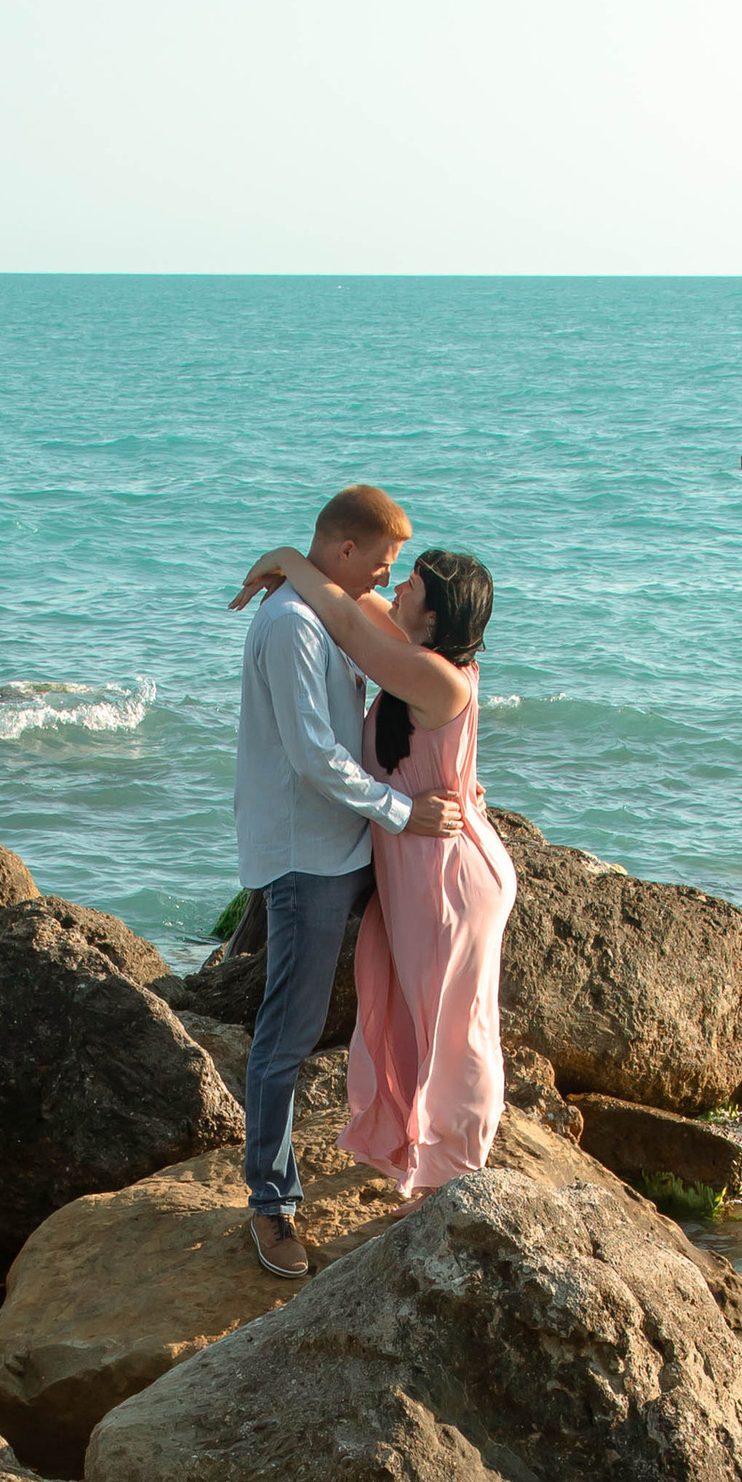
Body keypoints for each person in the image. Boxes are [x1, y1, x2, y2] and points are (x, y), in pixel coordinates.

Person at [224, 484, 460, 1279]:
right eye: (381, 566)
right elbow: (314, 755)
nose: (386, 585)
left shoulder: (329, 607)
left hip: (354, 844)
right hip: (309, 857)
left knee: (406, 1001)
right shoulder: (292, 624)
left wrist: (290, 558)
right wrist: (404, 811)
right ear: (346, 551)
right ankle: (271, 1204)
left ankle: (410, 1150)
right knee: (287, 1032)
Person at [230, 536, 510, 1206]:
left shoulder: (435, 675)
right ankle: (420, 1155)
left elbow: (352, 623)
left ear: (437, 618)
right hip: (412, 865)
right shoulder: (420, 654)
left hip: (444, 874)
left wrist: (290, 562)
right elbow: (356, 605)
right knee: (407, 1015)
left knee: (455, 1024)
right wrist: (302, 566)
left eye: (412, 585)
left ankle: (462, 1167)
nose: (397, 591)